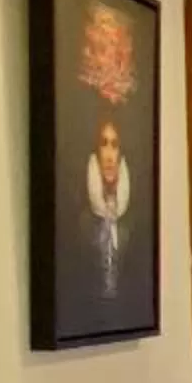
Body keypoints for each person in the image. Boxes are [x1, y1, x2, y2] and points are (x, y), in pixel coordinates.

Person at [83, 117, 133, 299]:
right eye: (104, 144)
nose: (110, 156)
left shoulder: (133, 222)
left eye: (115, 145)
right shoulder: (82, 223)